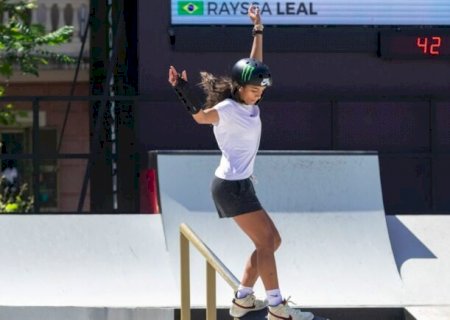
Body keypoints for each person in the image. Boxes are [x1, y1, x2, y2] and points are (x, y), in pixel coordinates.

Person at [168, 5, 314, 320]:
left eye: (261, 91)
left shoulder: (248, 102)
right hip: (230, 186)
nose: (257, 95)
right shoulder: (227, 109)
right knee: (266, 241)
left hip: (239, 184)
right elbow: (199, 118)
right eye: (252, 91)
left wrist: (258, 28)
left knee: (271, 241)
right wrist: (181, 89)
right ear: (238, 87)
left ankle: (244, 299)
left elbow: (254, 64)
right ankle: (276, 306)